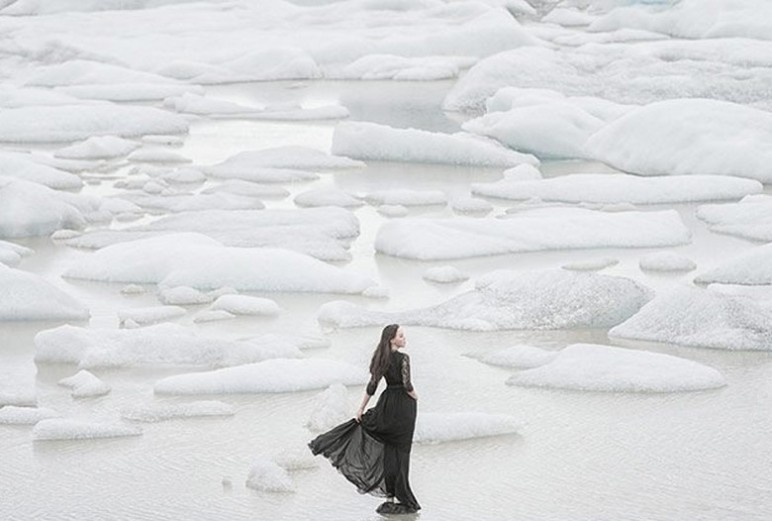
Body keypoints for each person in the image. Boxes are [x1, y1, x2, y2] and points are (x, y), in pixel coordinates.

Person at [308, 324, 421, 515]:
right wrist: (415, 395)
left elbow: (372, 386)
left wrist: (361, 408)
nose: (404, 339)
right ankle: (405, 498)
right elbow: (406, 384)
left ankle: (390, 497)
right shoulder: (403, 358)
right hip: (403, 406)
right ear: (391, 339)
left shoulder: (380, 358)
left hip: (386, 405)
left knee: (388, 452)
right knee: (401, 453)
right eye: (401, 336)